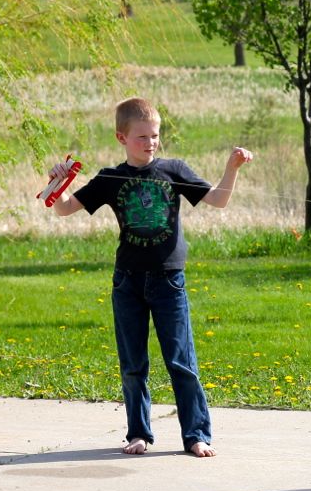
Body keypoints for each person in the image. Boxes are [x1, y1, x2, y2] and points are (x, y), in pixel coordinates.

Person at [48, 97, 252, 457]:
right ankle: (138, 434)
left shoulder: (174, 171)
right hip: (127, 282)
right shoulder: (110, 178)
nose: (151, 142)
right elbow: (63, 209)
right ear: (121, 138)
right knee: (133, 364)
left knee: (180, 362)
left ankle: (196, 435)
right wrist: (57, 184)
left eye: (155, 135)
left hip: (168, 281)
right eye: (142, 136)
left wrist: (232, 166)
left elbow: (218, 200)